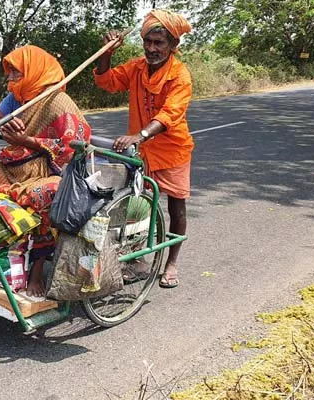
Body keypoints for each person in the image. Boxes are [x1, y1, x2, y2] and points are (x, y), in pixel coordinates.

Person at [0, 45, 91, 297]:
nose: (10, 80)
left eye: (15, 73)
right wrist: (3, 121)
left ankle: (37, 268)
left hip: (47, 171)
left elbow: (73, 149)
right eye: (9, 74)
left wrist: (27, 141)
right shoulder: (17, 97)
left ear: (34, 71)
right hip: (14, 168)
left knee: (46, 194)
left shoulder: (58, 101)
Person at [94, 10, 194, 288]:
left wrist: (139, 135)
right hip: (141, 152)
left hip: (171, 150)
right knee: (136, 204)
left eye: (159, 43)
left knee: (176, 207)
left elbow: (169, 114)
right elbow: (107, 81)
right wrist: (107, 52)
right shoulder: (137, 67)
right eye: (148, 42)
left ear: (173, 45)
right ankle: (138, 259)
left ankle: (172, 262)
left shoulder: (180, 75)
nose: (152, 48)